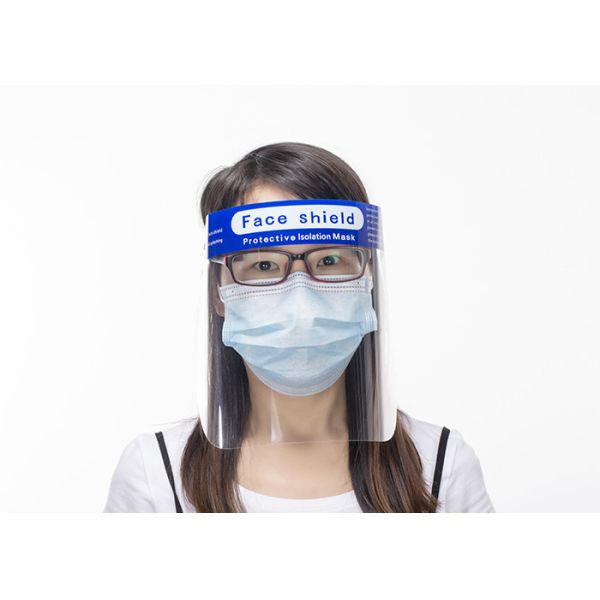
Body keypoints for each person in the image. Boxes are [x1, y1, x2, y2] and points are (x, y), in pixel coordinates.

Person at [104, 142, 495, 513]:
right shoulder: (158, 476)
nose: (301, 302)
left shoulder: (440, 467)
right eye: (263, 265)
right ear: (218, 293)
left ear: (368, 280)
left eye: (329, 261)